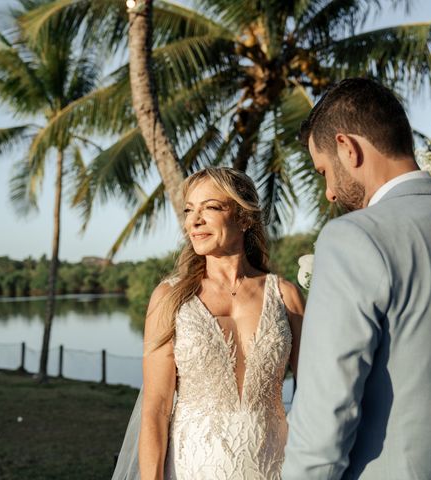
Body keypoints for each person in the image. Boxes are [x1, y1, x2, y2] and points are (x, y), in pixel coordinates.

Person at [281, 78, 431, 480]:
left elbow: (324, 421)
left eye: (324, 172)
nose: (330, 193)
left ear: (347, 148)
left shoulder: (354, 238)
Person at [112, 167, 304, 480]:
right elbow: (157, 407)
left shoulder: (286, 296)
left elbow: (315, 394)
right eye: (189, 210)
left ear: (244, 218)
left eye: (210, 207)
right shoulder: (170, 297)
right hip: (192, 469)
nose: (194, 221)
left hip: (276, 467)